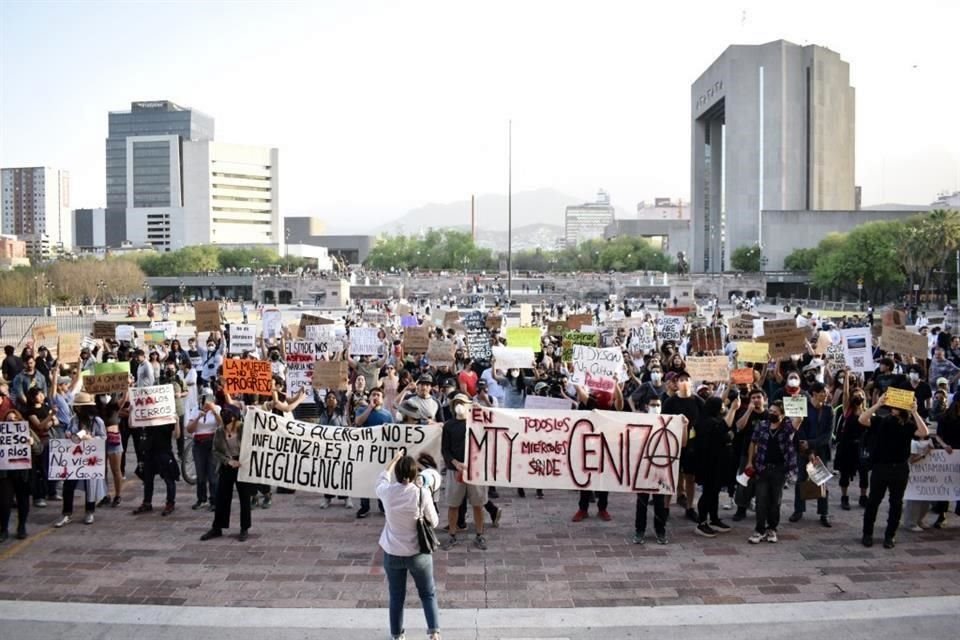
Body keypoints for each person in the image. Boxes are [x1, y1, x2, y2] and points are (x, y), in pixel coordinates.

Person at [377, 450, 441, 640]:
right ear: (415, 475)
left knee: (396, 597)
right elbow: (435, 522)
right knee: (428, 594)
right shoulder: (421, 494)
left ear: (397, 474)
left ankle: (396, 635)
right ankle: (434, 632)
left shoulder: (387, 493)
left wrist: (394, 459)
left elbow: (382, 477)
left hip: (393, 552)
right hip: (418, 553)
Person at [858, 393, 929, 548]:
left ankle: (890, 536)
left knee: (896, 503)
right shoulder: (882, 420)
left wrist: (915, 411)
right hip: (880, 467)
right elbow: (862, 419)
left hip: (900, 468)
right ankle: (867, 533)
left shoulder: (909, 425)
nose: (894, 407)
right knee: (873, 501)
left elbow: (924, 432)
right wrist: (878, 404)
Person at [440, 393, 489, 551]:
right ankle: (452, 535)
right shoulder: (448, 425)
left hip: (476, 470)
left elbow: (489, 430)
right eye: (456, 403)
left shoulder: (476, 422)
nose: (458, 405)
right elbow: (445, 450)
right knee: (453, 504)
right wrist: (455, 463)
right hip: (456, 470)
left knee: (478, 504)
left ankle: (480, 534)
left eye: (462, 402)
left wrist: (480, 411)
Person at [746, 400, 799, 544]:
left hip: (779, 469)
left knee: (775, 501)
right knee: (761, 500)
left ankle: (772, 528)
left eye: (775, 412)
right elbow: (753, 442)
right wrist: (750, 462)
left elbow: (798, 420)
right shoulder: (762, 426)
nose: (771, 414)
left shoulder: (787, 428)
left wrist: (795, 400)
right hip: (762, 467)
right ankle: (759, 529)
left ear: (782, 414)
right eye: (770, 411)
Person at [53, 392, 108, 527]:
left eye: (79, 407)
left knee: (91, 485)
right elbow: (70, 432)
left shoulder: (97, 421)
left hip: (91, 457)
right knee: (68, 485)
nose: (77, 409)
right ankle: (66, 513)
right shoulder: (74, 420)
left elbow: (103, 437)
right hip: (75, 458)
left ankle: (89, 511)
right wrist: (68, 435)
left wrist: (92, 439)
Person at [201, 405, 253, 541]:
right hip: (227, 465)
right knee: (222, 496)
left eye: (228, 414)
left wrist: (243, 460)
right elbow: (215, 451)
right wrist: (228, 461)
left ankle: (244, 528)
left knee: (244, 497)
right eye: (223, 413)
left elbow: (253, 445)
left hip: (242, 465)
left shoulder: (244, 429)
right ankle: (217, 527)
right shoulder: (219, 431)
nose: (225, 417)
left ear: (235, 417)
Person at [0, 408, 38, 541]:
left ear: (20, 419)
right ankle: (3, 529)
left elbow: (39, 449)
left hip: (23, 473)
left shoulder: (27, 431)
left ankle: (21, 527)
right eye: (9, 420)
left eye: (15, 419)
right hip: (5, 474)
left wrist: (32, 444)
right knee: (4, 502)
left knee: (23, 501)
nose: (12, 422)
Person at [186, 388, 222, 511]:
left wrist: (214, 411)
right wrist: (197, 418)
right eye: (204, 398)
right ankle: (201, 499)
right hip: (199, 443)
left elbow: (221, 425)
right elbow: (189, 429)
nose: (206, 401)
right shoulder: (196, 409)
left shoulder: (217, 409)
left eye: (209, 398)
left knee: (212, 474)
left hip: (212, 443)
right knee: (200, 474)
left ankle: (214, 500)